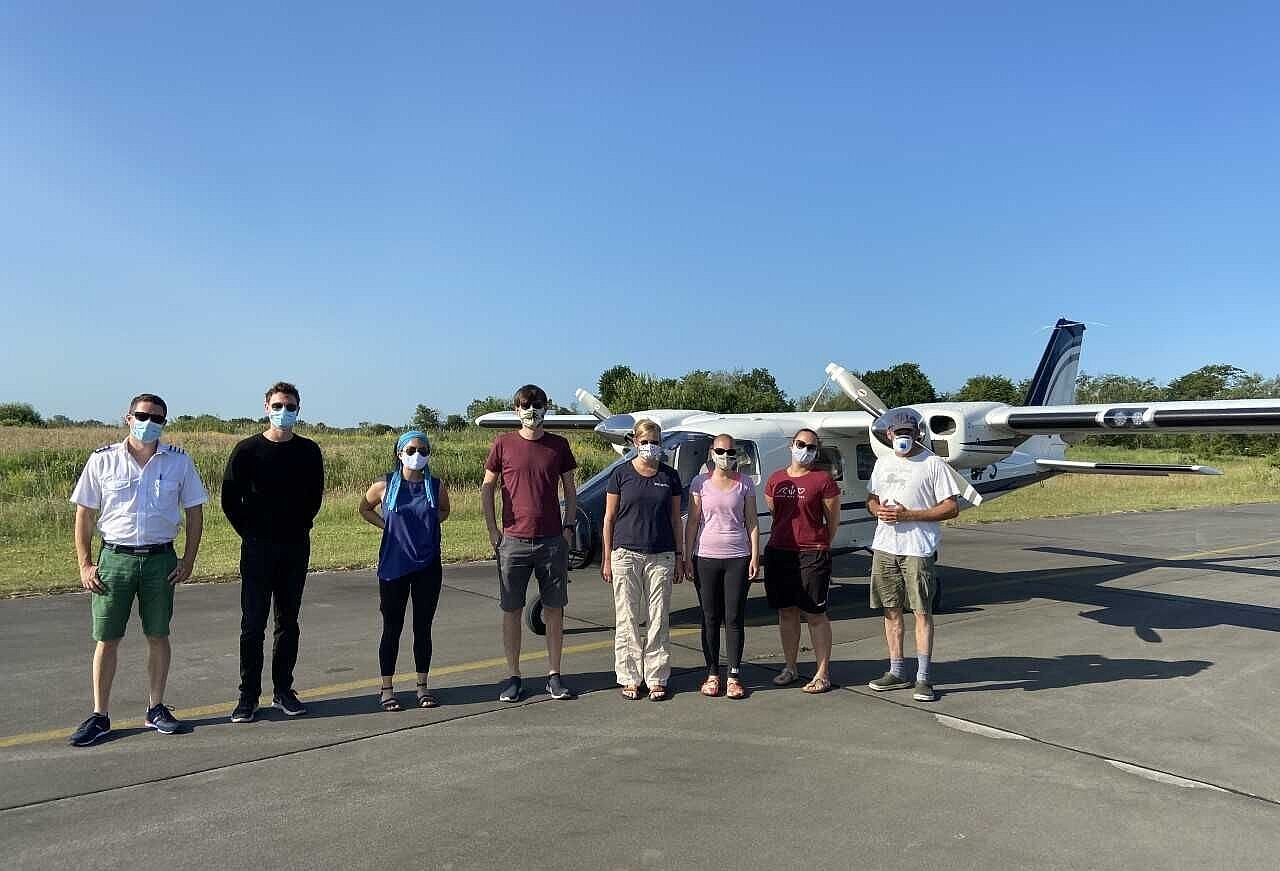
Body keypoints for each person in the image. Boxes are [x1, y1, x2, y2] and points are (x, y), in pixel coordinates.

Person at [67, 393, 207, 746]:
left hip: (160, 559)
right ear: (128, 417)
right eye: (143, 415)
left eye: (157, 418)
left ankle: (155, 708)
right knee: (107, 638)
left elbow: (194, 513)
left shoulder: (178, 462)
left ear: (164, 423)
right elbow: (84, 513)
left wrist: (188, 560)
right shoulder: (103, 460)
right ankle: (99, 715)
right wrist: (85, 563)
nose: (150, 422)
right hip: (115, 558)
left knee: (158, 634)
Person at [222, 382, 324, 723]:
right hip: (257, 549)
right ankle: (248, 695)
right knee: (252, 624)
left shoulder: (309, 451)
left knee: (288, 621)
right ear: (266, 407)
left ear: (298, 410)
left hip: (295, 547)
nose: (284, 412)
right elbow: (230, 500)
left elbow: (314, 498)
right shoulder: (247, 450)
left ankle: (283, 689)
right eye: (279, 405)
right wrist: (252, 533)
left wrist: (295, 528)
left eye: (291, 406)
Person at [481, 384, 578, 703]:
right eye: (526, 405)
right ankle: (514, 676)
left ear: (546, 410)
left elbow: (569, 488)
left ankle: (554, 675)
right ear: (516, 410)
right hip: (513, 540)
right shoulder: (502, 444)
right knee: (512, 608)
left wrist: (568, 527)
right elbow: (487, 488)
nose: (532, 411)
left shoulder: (559, 446)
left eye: (537, 405)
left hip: (552, 539)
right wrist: (494, 530)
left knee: (554, 608)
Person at [865, 409, 959, 702]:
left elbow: (951, 507)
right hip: (885, 546)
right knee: (890, 610)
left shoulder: (933, 464)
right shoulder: (882, 463)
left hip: (917, 549)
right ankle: (896, 670)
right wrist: (875, 510)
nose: (902, 437)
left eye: (908, 432)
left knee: (921, 612)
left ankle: (924, 677)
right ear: (889, 435)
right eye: (898, 433)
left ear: (918, 434)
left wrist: (910, 516)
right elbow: (872, 497)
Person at [359, 431, 451, 710]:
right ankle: (387, 689)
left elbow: (444, 510)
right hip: (393, 566)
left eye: (423, 450)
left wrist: (429, 525)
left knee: (423, 628)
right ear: (399, 453)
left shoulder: (435, 486)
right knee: (392, 628)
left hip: (428, 566)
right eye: (411, 449)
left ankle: (422, 686)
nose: (417, 454)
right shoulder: (383, 485)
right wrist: (386, 524)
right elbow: (364, 509)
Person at [601, 419, 683, 701]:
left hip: (661, 554)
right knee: (627, 617)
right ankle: (629, 676)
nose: (650, 447)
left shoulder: (670, 477)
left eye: (655, 442)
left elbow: (675, 518)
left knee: (658, 617)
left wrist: (680, 554)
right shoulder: (620, 474)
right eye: (645, 442)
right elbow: (609, 518)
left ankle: (657, 676)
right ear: (635, 443)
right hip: (625, 554)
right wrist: (607, 557)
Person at [763, 428, 840, 693]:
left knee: (815, 613)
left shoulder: (823, 480)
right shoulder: (776, 480)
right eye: (801, 444)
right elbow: (775, 511)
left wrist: (819, 544)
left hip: (812, 551)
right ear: (791, 446)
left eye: (811, 447)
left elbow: (832, 521)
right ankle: (790, 667)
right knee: (786, 612)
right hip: (780, 550)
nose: (805, 450)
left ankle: (822, 672)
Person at [683, 434, 759, 699]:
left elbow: (751, 521)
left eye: (731, 451)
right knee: (710, 616)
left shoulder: (745, 483)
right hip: (705, 555)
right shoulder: (699, 482)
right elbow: (693, 521)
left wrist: (754, 556)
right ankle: (713, 672)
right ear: (711, 452)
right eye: (721, 450)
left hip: (737, 556)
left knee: (734, 617)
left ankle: (734, 674)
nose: (726, 455)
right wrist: (686, 556)